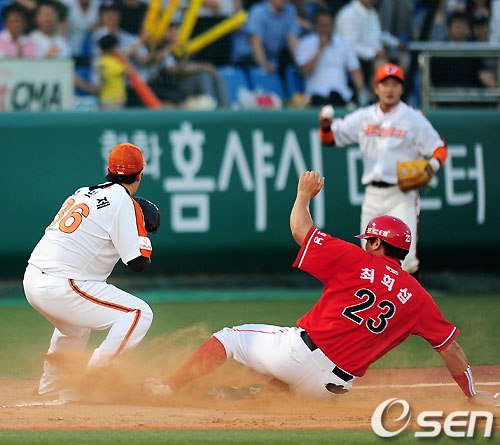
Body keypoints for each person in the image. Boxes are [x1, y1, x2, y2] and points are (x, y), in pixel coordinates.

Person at [145, 171, 497, 407]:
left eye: (369, 239)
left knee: (229, 339)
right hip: (333, 388)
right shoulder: (418, 297)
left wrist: (303, 196)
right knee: (290, 384)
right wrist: (472, 394)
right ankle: (251, 395)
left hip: (298, 354)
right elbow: (451, 350)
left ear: (377, 243)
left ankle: (167, 387)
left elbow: (301, 231)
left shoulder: (355, 259)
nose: (366, 243)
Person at [23, 143, 154, 397]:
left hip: (33, 278)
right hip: (62, 284)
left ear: (108, 170)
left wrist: (135, 214)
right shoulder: (123, 202)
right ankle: (94, 378)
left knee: (74, 328)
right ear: (140, 175)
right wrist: (141, 227)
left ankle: (52, 388)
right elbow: (138, 263)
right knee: (138, 313)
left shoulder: (82, 192)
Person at [318, 63, 447, 277]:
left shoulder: (413, 118)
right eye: (385, 84)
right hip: (373, 194)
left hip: (401, 194)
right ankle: (377, 300)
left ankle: (410, 299)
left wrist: (431, 166)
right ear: (376, 88)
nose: (390, 89)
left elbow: (439, 148)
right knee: (369, 257)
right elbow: (330, 138)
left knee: (406, 258)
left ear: (401, 88)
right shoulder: (364, 117)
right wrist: (325, 125)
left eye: (395, 84)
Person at [296, 8, 366, 107]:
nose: (325, 29)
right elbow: (304, 72)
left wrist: (361, 92)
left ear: (332, 26)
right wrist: (320, 49)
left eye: (327, 25)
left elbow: (355, 69)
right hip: (316, 97)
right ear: (316, 25)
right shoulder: (305, 43)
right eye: (322, 25)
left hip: (342, 96)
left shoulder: (343, 43)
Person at [232, 0, 300, 73]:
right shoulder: (258, 12)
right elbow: (256, 43)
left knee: (288, 65)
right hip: (248, 59)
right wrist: (264, 64)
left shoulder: (290, 11)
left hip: (271, 58)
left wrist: (300, 63)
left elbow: (293, 40)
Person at [97, 33, 128, 109]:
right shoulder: (112, 62)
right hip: (115, 98)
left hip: (105, 96)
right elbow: (129, 72)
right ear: (113, 47)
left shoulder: (101, 61)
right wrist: (123, 57)